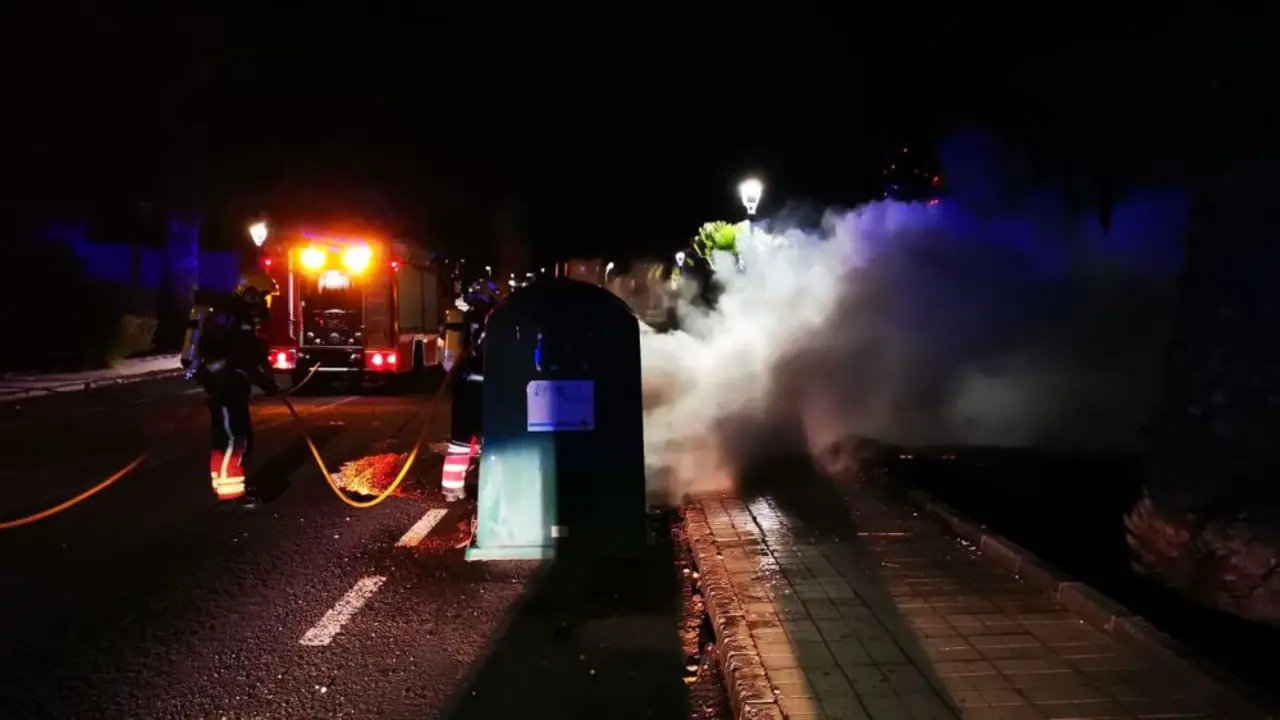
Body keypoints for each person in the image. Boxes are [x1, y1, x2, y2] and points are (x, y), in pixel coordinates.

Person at [181, 271, 280, 505]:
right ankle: (231, 494)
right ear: (250, 292)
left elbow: (247, 354)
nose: (264, 300)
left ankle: (228, 486)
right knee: (232, 438)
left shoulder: (241, 315)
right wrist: (252, 377)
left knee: (232, 436)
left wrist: (262, 378)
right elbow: (222, 351)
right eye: (262, 295)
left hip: (232, 384)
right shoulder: (230, 314)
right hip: (224, 387)